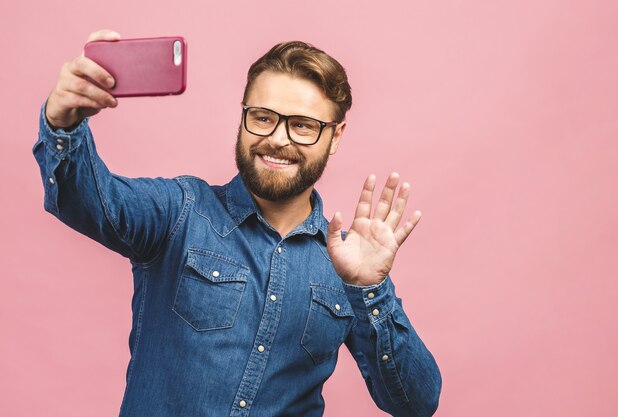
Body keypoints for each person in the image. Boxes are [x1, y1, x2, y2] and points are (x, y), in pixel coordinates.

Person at [34, 29, 442, 417]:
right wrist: (63, 122)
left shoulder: (347, 264)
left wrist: (370, 290)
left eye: (303, 125)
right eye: (263, 117)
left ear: (335, 137)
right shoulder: (181, 211)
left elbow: (416, 403)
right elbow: (85, 198)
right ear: (243, 115)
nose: (278, 139)